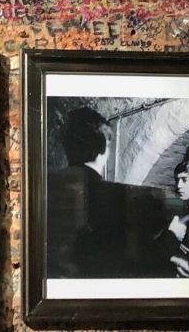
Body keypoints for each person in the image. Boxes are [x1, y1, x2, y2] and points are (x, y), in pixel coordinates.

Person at [46, 106, 163, 277]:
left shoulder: (46, 186)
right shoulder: (118, 198)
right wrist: (170, 239)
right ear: (102, 148)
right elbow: (132, 264)